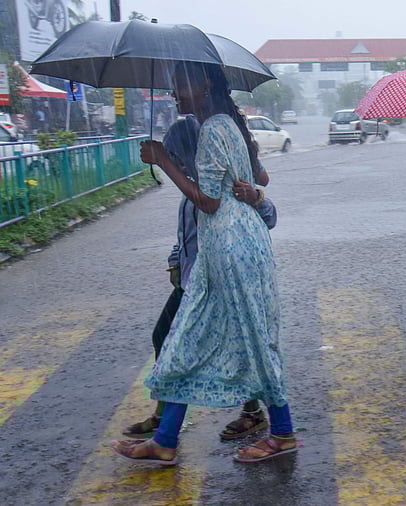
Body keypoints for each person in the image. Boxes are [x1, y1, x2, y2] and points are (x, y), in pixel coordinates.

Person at [111, 61, 296, 464]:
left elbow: (209, 201)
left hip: (231, 248)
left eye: (181, 83)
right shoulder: (226, 125)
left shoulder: (213, 129)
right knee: (186, 340)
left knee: (253, 341)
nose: (174, 91)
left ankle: (282, 433)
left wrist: (164, 161)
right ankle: (165, 439)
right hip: (228, 247)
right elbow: (249, 183)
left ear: (204, 84)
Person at [120, 114, 279, 442]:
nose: (177, 162)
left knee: (218, 348)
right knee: (167, 339)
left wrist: (255, 197)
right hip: (194, 282)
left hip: (217, 284)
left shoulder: (219, 188)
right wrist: (176, 261)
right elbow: (186, 238)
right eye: (173, 157)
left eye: (178, 155)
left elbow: (267, 215)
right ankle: (166, 423)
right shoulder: (189, 192)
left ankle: (255, 417)